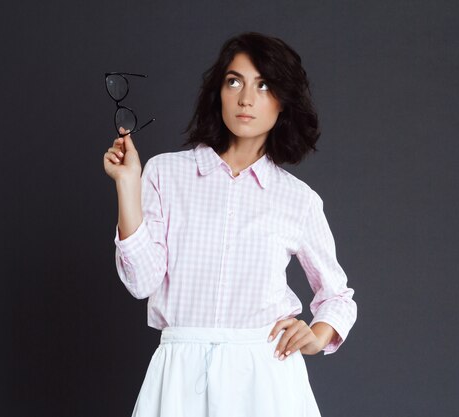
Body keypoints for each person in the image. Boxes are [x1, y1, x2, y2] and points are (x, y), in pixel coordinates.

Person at [103, 31, 357, 417]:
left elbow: (338, 296)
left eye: (264, 85)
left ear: (283, 103)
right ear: (217, 92)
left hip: (267, 377)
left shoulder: (297, 199)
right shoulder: (165, 174)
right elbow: (142, 282)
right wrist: (127, 185)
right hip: (180, 374)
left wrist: (317, 335)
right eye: (234, 81)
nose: (246, 99)